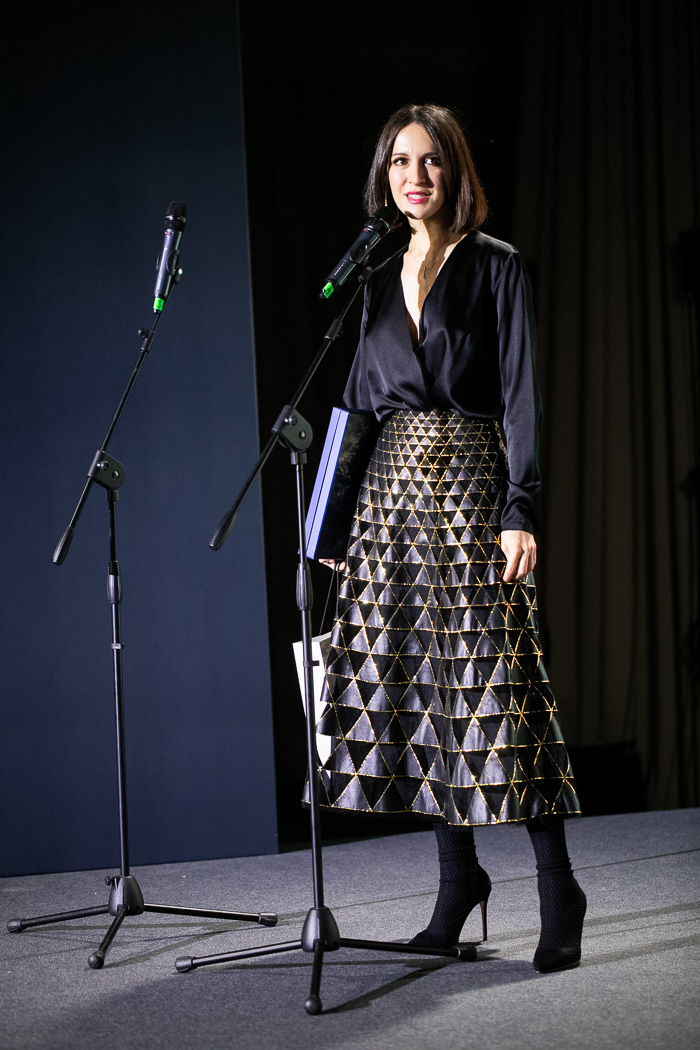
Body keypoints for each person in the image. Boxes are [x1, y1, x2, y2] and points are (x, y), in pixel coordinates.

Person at [316, 103, 586, 973]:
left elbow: (523, 395)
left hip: (473, 491)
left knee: (502, 689)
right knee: (421, 694)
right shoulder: (375, 275)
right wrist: (329, 523)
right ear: (384, 177)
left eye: (430, 160)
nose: (415, 177)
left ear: (455, 170)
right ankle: (456, 881)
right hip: (389, 503)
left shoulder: (496, 265)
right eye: (400, 162)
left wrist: (520, 508)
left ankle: (559, 889)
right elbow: (355, 406)